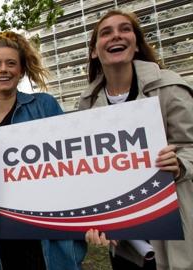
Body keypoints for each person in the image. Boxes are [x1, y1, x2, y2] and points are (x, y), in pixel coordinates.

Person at [81, 10, 193, 270]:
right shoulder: (88, 104)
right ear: (95, 51)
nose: (116, 36)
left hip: (174, 235)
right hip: (126, 243)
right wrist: (94, 217)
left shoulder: (169, 87)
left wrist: (180, 163)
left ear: (136, 43)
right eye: (106, 32)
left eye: (124, 29)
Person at [0, 30, 86, 270]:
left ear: (20, 71)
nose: (3, 69)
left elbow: (71, 165)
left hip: (42, 235)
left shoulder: (44, 105)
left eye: (11, 64)